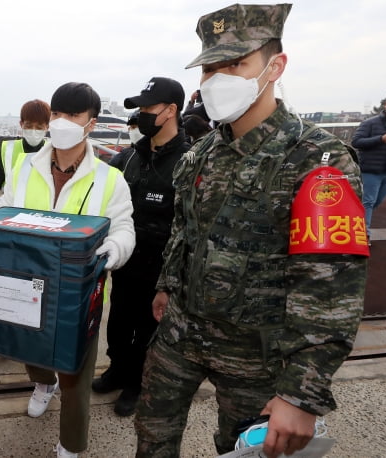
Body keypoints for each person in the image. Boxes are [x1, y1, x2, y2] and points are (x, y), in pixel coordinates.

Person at [134, 4, 368, 458]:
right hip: (180, 333)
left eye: (236, 64)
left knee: (239, 449)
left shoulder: (319, 162)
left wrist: (301, 393)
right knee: (152, 433)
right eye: (211, 68)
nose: (219, 79)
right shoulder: (201, 152)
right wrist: (168, 285)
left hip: (256, 354)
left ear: (275, 66)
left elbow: (331, 288)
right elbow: (185, 228)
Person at [0, 82, 135, 458]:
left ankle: (70, 445)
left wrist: (114, 248)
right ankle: (42, 383)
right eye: (57, 113)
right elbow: (6, 205)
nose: (62, 122)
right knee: (29, 349)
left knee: (76, 375)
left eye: (73, 115)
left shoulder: (110, 179)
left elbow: (124, 228)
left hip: (80, 293)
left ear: (90, 124)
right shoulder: (25, 168)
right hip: (26, 282)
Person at [91, 77, 190, 417]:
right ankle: (117, 369)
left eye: (148, 109)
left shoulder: (189, 163)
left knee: (148, 329)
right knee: (118, 320)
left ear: (171, 110)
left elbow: (191, 224)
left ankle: (137, 382)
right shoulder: (127, 158)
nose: (141, 116)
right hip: (125, 263)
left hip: (161, 269)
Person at [0, 99, 50, 205]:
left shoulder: (53, 151)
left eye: (39, 127)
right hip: (11, 210)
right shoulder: (7, 149)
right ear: (21, 124)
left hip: (42, 212)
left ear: (47, 127)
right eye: (29, 126)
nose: (34, 131)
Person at [351, 93, 386, 238]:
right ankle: (363, 235)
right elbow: (356, 142)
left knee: (376, 201)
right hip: (371, 170)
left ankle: (355, 218)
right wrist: (381, 139)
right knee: (368, 201)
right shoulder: (370, 123)